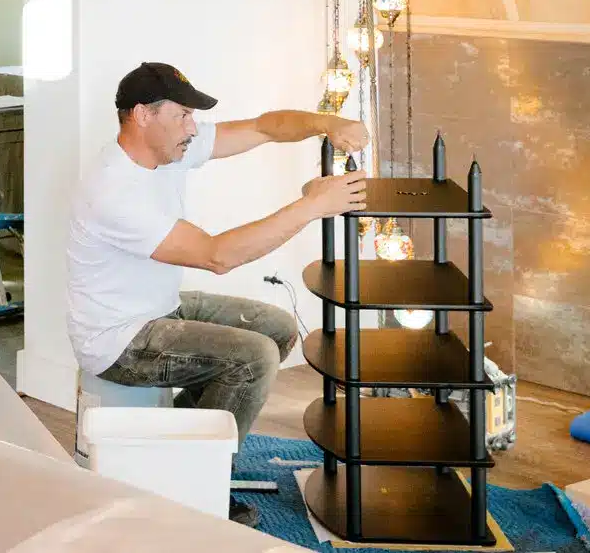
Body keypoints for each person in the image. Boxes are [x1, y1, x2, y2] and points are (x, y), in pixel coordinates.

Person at [66, 61, 369, 525]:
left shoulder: (170, 149)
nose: (193, 127)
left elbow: (266, 128)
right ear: (142, 115)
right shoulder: (114, 189)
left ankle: (183, 451)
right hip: (117, 340)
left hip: (158, 309)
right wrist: (312, 206)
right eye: (182, 115)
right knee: (256, 358)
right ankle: (196, 489)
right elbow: (217, 256)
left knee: (278, 329)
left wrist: (326, 122)